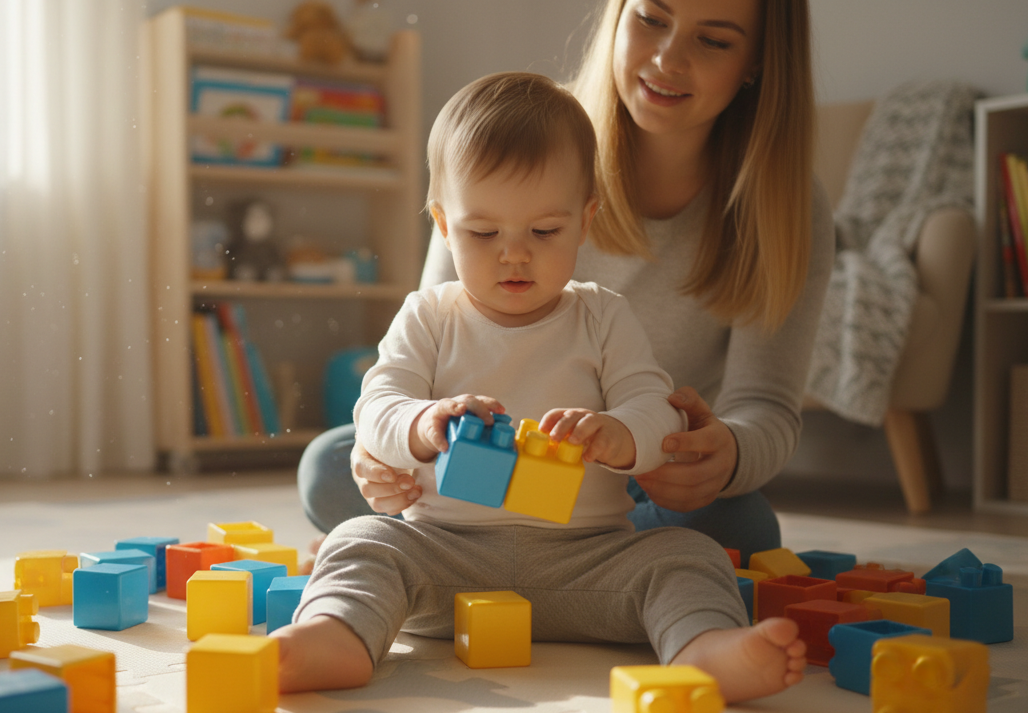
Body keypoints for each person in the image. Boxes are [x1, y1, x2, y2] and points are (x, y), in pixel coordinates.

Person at [273, 71, 807, 702]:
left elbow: (656, 409)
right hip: (445, 555)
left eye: (544, 233)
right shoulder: (429, 315)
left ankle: (705, 649)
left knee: (687, 555)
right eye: (484, 233)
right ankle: (332, 639)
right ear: (443, 226)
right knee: (359, 541)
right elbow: (379, 403)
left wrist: (622, 433)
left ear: (586, 223)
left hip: (589, 559)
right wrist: (421, 425)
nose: (514, 255)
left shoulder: (603, 316)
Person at [298, 0, 832, 564]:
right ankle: (566, 555)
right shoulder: (502, 143)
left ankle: (542, 553)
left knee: (741, 522)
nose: (667, 58)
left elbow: (764, 406)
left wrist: (723, 454)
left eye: (714, 41)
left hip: (628, 475)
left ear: (758, 61)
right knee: (330, 466)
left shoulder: (781, 206)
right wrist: (385, 451)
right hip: (467, 466)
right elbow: (423, 359)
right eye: (651, 19)